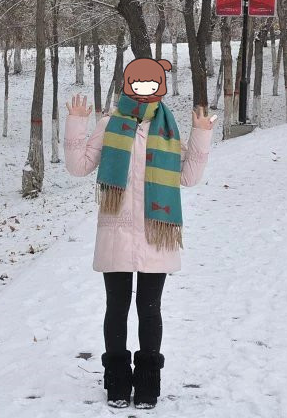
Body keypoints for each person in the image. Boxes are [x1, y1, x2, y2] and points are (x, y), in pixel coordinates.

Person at [64, 57, 215, 409]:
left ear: (159, 86)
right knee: (116, 306)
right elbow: (78, 167)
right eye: (139, 85)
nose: (145, 92)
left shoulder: (167, 128)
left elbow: (188, 177)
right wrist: (77, 124)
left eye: (151, 85)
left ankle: (147, 384)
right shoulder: (109, 123)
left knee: (149, 308)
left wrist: (202, 135)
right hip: (116, 230)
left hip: (155, 231)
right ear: (128, 85)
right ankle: (117, 382)